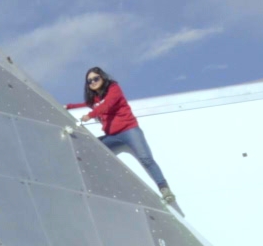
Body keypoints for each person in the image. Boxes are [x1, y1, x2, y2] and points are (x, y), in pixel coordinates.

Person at [69, 66, 180, 212]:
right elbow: (83, 105)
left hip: (129, 130)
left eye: (96, 78)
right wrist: (67, 106)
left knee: (146, 158)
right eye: (89, 81)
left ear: (102, 78)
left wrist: (90, 115)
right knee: (92, 146)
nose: (93, 82)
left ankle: (164, 189)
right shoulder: (94, 99)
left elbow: (108, 104)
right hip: (112, 135)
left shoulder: (114, 89)